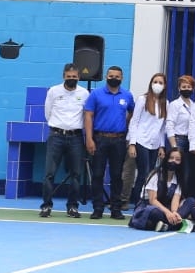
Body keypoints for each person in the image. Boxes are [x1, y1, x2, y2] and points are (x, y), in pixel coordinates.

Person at [83, 65, 135, 220]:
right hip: (99, 138)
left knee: (117, 175)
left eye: (117, 77)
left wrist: (125, 125)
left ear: (122, 78)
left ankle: (116, 208)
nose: (114, 79)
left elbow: (132, 112)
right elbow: (88, 116)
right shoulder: (96, 94)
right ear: (106, 77)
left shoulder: (127, 95)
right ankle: (98, 208)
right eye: (111, 76)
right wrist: (89, 139)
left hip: (119, 140)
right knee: (98, 174)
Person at [40, 64, 88, 218]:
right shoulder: (53, 91)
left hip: (76, 137)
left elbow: (85, 115)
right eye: (69, 76)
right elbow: (47, 113)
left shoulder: (84, 93)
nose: (71, 79)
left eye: (74, 77)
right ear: (63, 76)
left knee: (76, 174)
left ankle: (72, 206)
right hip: (56, 135)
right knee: (49, 173)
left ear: (79, 77)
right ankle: (46, 206)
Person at [129, 148, 194, 233]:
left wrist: (174, 212)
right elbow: (153, 200)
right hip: (150, 206)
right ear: (166, 159)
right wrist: (168, 213)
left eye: (177, 159)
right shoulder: (155, 175)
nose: (173, 161)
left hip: (166, 207)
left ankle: (169, 224)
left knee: (191, 201)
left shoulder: (178, 179)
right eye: (171, 158)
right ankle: (176, 224)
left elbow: (175, 200)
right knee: (154, 212)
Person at [127, 72, 168, 206]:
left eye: (160, 83)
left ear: (164, 86)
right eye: (155, 82)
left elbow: (162, 128)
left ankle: (147, 200)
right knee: (143, 172)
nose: (157, 85)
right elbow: (134, 122)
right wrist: (132, 143)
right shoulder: (142, 100)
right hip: (141, 141)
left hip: (154, 144)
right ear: (151, 84)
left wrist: (162, 146)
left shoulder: (165, 103)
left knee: (151, 174)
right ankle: (138, 202)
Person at [165, 74, 195, 195]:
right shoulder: (175, 105)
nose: (186, 89)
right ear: (179, 88)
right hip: (178, 140)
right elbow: (170, 125)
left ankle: (182, 196)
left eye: (189, 87)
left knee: (187, 171)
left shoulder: (194, 105)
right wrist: (174, 146)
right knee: (174, 169)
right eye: (184, 87)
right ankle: (170, 194)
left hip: (191, 142)